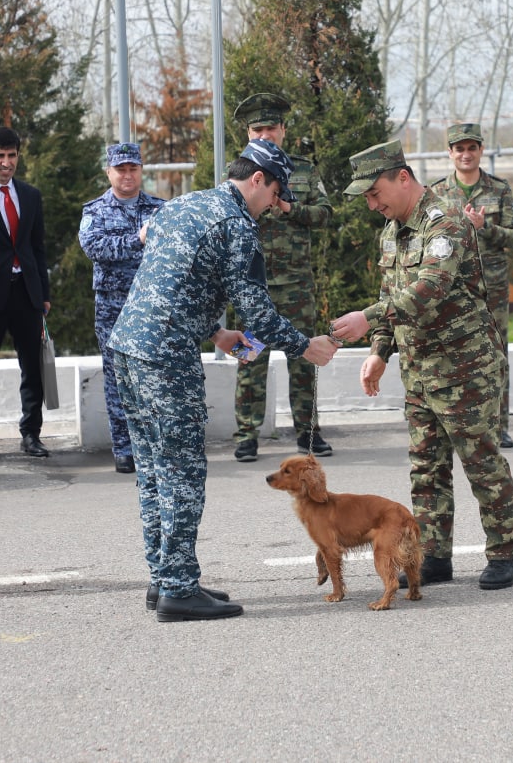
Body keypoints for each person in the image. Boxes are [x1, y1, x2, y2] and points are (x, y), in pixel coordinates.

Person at [109, 139, 340, 621]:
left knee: (153, 470)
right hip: (165, 356)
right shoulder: (237, 224)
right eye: (276, 195)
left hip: (128, 347)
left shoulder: (184, 204)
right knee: (182, 472)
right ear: (258, 179)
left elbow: (176, 278)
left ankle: (168, 578)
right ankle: (176, 590)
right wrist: (305, 346)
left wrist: (216, 332)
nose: (276, 207)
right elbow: (258, 309)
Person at [330, 139, 513, 591]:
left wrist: (368, 321)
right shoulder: (392, 232)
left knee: (482, 463)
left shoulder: (446, 222)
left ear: (403, 177)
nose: (373, 205)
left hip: (465, 368)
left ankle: (504, 555)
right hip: (419, 370)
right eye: (368, 199)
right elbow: (388, 295)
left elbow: (428, 289)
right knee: (426, 468)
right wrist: (379, 351)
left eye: (376, 193)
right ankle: (433, 556)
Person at [229, 94, 334, 462]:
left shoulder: (303, 171)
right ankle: (246, 435)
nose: (265, 135)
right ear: (247, 133)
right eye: (257, 129)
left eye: (271, 128)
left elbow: (325, 214)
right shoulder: (239, 173)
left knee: (304, 360)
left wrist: (290, 207)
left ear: (283, 130)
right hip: (251, 288)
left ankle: (308, 432)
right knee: (249, 359)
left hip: (296, 287)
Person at [429, 122, 513, 449]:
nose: (465, 154)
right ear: (451, 153)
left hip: (492, 290)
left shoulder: (499, 189)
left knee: (496, 357)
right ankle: (458, 426)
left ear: (481, 150)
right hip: (453, 291)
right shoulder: (438, 192)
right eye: (459, 149)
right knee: (453, 357)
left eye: (472, 148)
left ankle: (498, 425)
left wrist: (485, 228)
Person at [0, 126, 51, 461]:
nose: (6, 162)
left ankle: (31, 434)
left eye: (12, 155)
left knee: (32, 368)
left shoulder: (30, 195)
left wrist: (43, 292)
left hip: (26, 294)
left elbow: (37, 247)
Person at [79, 142, 163, 474]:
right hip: (112, 306)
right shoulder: (95, 210)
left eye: (133, 169)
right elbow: (95, 248)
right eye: (121, 169)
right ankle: (124, 448)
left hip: (152, 305)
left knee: (153, 375)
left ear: (141, 170)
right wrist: (137, 241)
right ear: (109, 172)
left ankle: (154, 444)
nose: (127, 175)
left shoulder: (160, 208)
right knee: (117, 377)